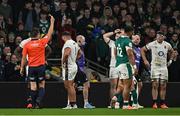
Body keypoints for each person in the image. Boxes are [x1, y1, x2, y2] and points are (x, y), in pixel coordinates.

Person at [20, 15, 55, 109]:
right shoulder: (41, 42)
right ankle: (39, 100)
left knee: (33, 86)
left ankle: (32, 102)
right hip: (40, 66)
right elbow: (49, 33)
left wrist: (22, 68)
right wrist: (52, 22)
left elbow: (23, 58)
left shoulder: (27, 45)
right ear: (38, 34)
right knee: (42, 84)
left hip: (31, 67)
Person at [141, 31, 174, 109]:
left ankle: (162, 103)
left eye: (160, 36)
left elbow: (173, 51)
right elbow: (142, 49)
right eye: (158, 36)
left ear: (163, 37)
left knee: (163, 85)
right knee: (155, 84)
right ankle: (154, 103)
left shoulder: (167, 44)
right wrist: (145, 60)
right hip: (155, 67)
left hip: (164, 67)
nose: (159, 37)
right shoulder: (152, 44)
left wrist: (170, 60)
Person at [111, 26, 137, 109]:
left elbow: (114, 52)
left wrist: (119, 60)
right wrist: (134, 66)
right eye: (132, 32)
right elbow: (130, 54)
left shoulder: (117, 40)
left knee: (121, 84)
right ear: (129, 32)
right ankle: (126, 105)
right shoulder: (128, 41)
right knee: (127, 85)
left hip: (118, 65)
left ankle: (115, 97)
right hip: (125, 64)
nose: (132, 33)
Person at [103, 28, 125, 108]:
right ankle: (112, 103)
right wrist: (113, 32)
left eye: (119, 34)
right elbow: (104, 36)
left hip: (122, 66)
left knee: (122, 85)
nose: (117, 35)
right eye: (116, 35)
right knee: (113, 85)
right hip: (113, 66)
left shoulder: (125, 43)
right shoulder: (112, 43)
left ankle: (119, 102)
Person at [61, 31, 81, 109]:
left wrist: (63, 62)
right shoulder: (74, 43)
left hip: (68, 67)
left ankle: (73, 104)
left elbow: (66, 53)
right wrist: (74, 59)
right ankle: (70, 104)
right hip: (73, 65)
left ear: (64, 36)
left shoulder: (68, 43)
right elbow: (80, 53)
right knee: (69, 85)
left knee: (69, 86)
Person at [74, 35, 95, 108]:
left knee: (73, 86)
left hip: (78, 68)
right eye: (83, 40)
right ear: (79, 40)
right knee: (86, 84)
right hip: (79, 68)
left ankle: (70, 103)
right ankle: (86, 103)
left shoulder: (78, 46)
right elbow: (74, 57)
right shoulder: (76, 47)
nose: (84, 42)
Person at [131, 34, 143, 108]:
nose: (136, 40)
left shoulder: (139, 49)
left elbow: (139, 61)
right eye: (135, 39)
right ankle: (132, 102)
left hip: (136, 71)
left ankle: (135, 101)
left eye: (138, 39)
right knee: (130, 86)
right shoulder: (130, 47)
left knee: (140, 84)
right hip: (130, 69)